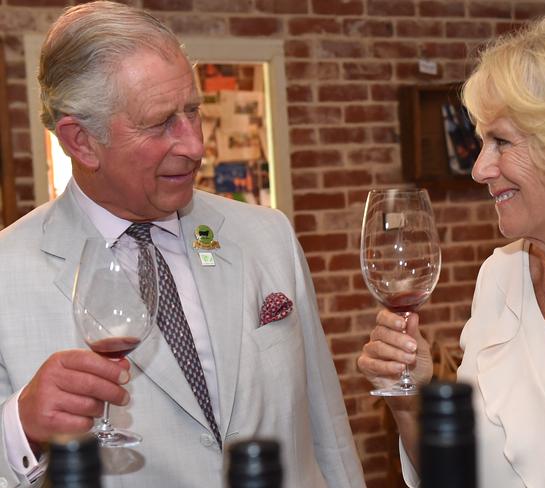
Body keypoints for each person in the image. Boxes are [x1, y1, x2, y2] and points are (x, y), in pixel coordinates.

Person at [0, 2, 365, 487]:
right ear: (81, 141)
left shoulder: (267, 235)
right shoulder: (8, 274)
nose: (194, 145)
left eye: (192, 111)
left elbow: (327, 430)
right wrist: (19, 430)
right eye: (160, 123)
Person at [358, 14, 545, 488]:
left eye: (501, 142)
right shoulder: (501, 278)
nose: (478, 170)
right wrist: (411, 403)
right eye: (480, 142)